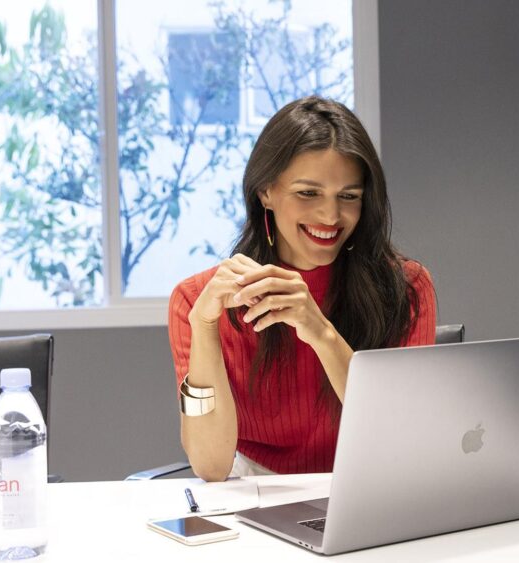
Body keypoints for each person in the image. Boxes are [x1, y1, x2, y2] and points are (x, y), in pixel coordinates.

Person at [168, 96, 437, 481]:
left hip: (372, 481)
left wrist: (322, 333)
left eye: (349, 197)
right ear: (266, 192)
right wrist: (205, 328)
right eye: (308, 193)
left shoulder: (408, 287)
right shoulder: (196, 301)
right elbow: (210, 466)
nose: (330, 216)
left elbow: (401, 436)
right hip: (256, 493)